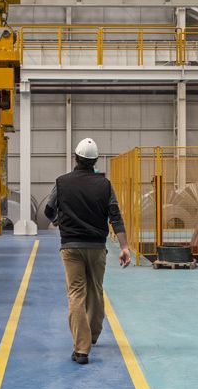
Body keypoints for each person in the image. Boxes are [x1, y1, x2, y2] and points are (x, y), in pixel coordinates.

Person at [43, 138, 132, 365]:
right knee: (96, 290)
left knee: (76, 294)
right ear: (95, 161)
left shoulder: (62, 183)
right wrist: (124, 247)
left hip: (71, 247)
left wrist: (59, 222)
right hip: (97, 247)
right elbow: (115, 216)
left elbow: (48, 210)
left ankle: (81, 349)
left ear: (76, 158)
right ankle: (92, 334)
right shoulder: (105, 185)